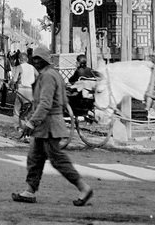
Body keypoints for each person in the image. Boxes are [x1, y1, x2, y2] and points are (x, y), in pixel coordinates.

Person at [12, 46, 94, 207]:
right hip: (44, 125)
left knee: (57, 160)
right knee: (35, 158)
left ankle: (84, 188)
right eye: (33, 59)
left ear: (44, 61)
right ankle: (29, 190)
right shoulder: (49, 74)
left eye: (37, 59)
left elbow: (45, 104)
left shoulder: (48, 76)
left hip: (50, 125)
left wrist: (31, 122)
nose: (35, 62)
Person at [9, 52, 38, 130]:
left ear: (19, 60)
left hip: (21, 91)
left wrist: (10, 83)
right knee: (29, 111)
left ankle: (17, 127)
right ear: (27, 59)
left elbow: (14, 80)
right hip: (30, 92)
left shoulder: (19, 67)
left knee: (16, 111)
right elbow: (39, 76)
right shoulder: (32, 67)